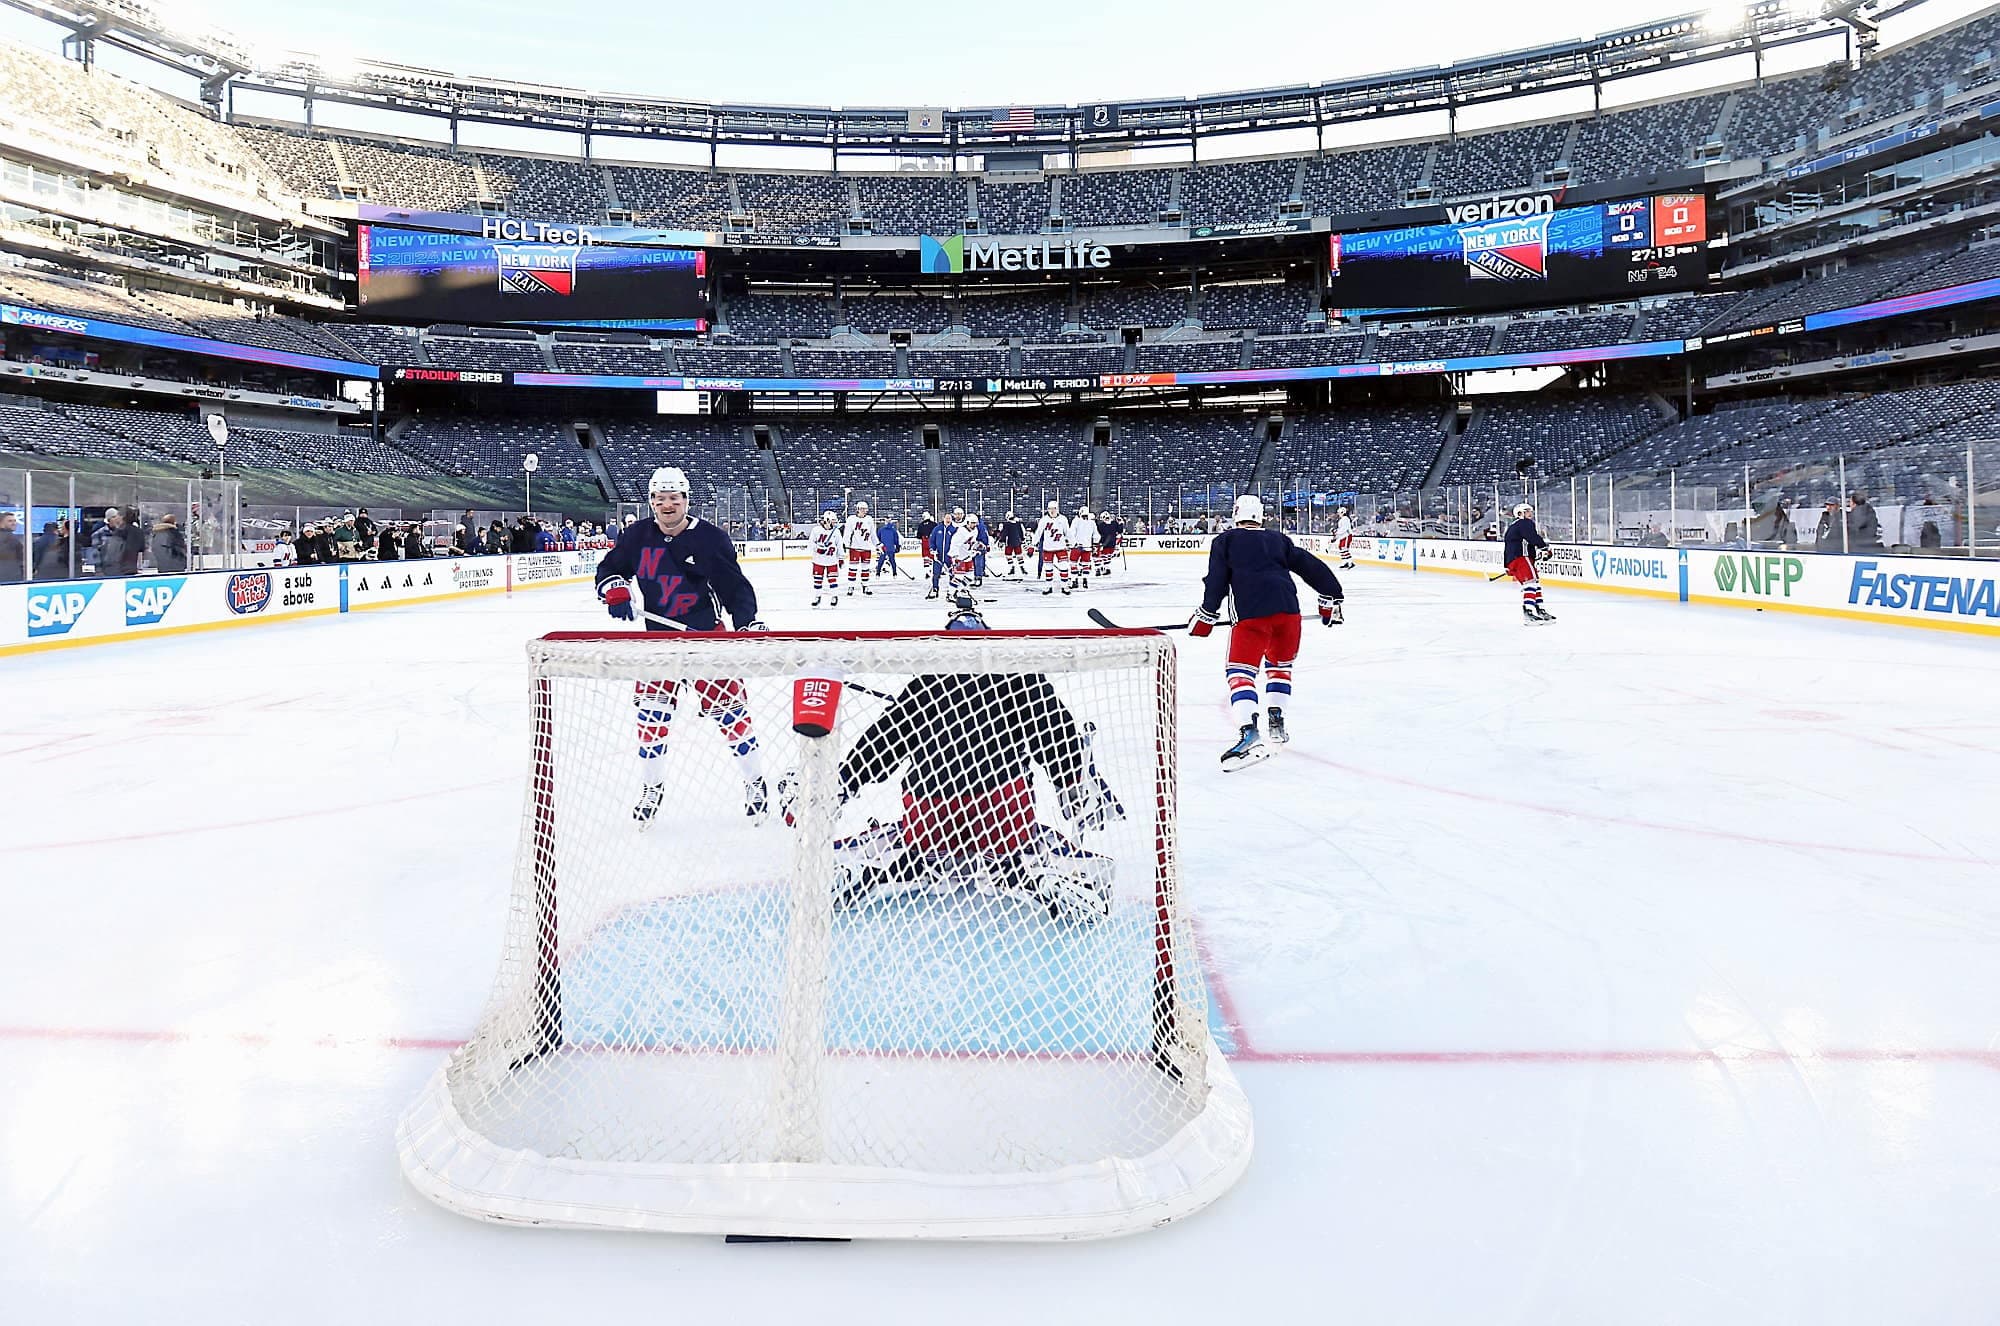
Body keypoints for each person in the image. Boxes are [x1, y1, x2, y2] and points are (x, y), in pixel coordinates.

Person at [811, 591, 1118, 923]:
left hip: (931, 808)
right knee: (1028, 845)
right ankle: (1047, 873)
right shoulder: (1020, 676)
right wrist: (1073, 780)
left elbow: (884, 742)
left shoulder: (925, 684)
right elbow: (1054, 732)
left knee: (907, 847)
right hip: (1002, 808)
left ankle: (867, 871)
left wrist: (847, 779)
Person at [594, 465, 770, 826]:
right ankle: (652, 787)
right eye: (660, 499)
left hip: (706, 639)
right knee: (651, 719)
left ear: (686, 500)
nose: (667, 504)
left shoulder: (710, 538)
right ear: (651, 502)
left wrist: (747, 621)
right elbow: (610, 568)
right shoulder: (637, 536)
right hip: (659, 643)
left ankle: (755, 781)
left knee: (732, 716)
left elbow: (734, 587)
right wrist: (614, 589)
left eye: (674, 498)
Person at [1190, 494, 1345, 770]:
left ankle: (1249, 733)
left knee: (1240, 674)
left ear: (1235, 514)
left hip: (1251, 616)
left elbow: (1217, 580)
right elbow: (1312, 567)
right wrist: (1331, 597)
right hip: (1289, 614)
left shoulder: (1225, 541)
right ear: (1261, 516)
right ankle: (1276, 722)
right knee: (1279, 668)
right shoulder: (1278, 540)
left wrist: (1207, 615)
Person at [1502, 501, 1556, 626]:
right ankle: (1529, 612)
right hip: (1521, 558)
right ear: (1520, 514)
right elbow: (1532, 537)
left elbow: (1513, 545)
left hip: (1516, 559)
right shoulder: (1524, 523)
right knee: (1531, 583)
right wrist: (1544, 547)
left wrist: (1507, 565)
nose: (1530, 513)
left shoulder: (1514, 527)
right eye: (1527, 511)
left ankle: (1539, 609)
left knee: (1534, 583)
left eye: (1530, 511)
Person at [1034, 500, 1072, 596]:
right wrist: (1033, 543)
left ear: (1057, 509)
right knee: (1048, 568)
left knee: (1064, 567)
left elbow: (1067, 532)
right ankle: (1048, 586)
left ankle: (1064, 586)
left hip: (1061, 547)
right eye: (1050, 509)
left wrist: (1073, 543)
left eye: (1054, 509)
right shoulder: (1044, 520)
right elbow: (1038, 532)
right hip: (1048, 548)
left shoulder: (1063, 519)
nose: (1052, 511)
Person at [92, 506, 142, 577]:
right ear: (109, 520)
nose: (117, 519)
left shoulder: (125, 532)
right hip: (107, 570)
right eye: (114, 517)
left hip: (125, 569)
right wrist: (99, 571)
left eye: (118, 517)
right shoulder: (98, 534)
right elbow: (96, 554)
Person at [842, 500, 879, 597]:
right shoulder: (851, 519)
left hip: (866, 548)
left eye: (865, 509)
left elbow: (872, 534)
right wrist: (845, 545)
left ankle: (865, 586)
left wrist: (877, 544)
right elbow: (847, 533)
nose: (863, 511)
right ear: (857, 509)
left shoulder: (869, 519)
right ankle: (851, 586)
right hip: (855, 548)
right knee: (853, 568)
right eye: (862, 509)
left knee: (865, 569)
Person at [946, 508, 985, 593]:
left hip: (968, 557)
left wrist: (978, 546)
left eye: (975, 523)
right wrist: (954, 557)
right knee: (958, 577)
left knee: (970, 577)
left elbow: (971, 543)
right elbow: (954, 544)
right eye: (972, 523)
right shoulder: (961, 531)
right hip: (959, 557)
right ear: (967, 523)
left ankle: (959, 590)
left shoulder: (975, 531)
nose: (974, 525)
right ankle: (950, 593)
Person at [809, 509, 842, 607]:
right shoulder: (816, 530)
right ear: (827, 520)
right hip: (818, 560)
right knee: (818, 580)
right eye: (833, 521)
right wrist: (817, 549)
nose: (834, 523)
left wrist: (841, 558)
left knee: (832, 579)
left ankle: (834, 596)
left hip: (831, 560)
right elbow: (811, 543)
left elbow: (839, 545)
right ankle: (817, 596)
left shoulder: (836, 532)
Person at [1067, 505, 1097, 592]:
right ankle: (1085, 580)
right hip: (1087, 547)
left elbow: (1071, 533)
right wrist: (1095, 544)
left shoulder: (1076, 521)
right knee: (1085, 564)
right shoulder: (1092, 523)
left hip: (1077, 547)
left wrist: (1072, 543)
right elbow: (1096, 535)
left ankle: (1074, 581)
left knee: (1073, 564)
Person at [876, 513, 906, 578]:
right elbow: (896, 540)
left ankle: (878, 573)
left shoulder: (882, 530)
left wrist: (878, 545)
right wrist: (897, 547)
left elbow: (878, 538)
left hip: (884, 548)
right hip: (889, 548)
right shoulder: (893, 530)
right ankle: (894, 574)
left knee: (881, 560)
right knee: (892, 561)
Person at [998, 512, 1027, 577]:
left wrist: (1001, 540)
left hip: (1009, 542)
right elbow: (1021, 532)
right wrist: (1022, 539)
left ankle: (1012, 568)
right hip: (1017, 542)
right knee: (1019, 555)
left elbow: (1004, 533)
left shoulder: (1006, 524)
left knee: (1008, 555)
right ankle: (1022, 567)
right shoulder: (1018, 524)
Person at [914, 510, 937, 583]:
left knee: (926, 557)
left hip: (924, 541)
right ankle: (932, 570)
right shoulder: (934, 524)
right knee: (932, 556)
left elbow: (918, 536)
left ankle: (927, 571)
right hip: (932, 541)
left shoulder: (921, 524)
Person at [0, 512, 23, 584]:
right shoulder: (10, 538)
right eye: (10, 521)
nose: (14, 523)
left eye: (14, 520)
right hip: (9, 578)